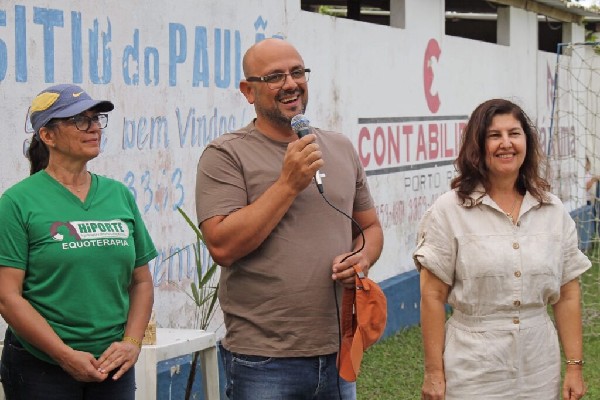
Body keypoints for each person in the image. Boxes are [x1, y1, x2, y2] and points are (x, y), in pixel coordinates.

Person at [195, 38, 384, 399]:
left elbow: (370, 228)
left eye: (297, 72)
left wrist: (362, 258)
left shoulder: (340, 147)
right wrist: (288, 184)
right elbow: (222, 246)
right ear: (248, 91)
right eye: (274, 77)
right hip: (263, 360)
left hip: (338, 350)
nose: (291, 84)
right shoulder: (225, 154)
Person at [413, 98, 590, 400]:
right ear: (477, 146)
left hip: (539, 366)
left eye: (514, 133)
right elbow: (432, 296)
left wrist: (574, 367)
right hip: (472, 368)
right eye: (494, 135)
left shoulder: (553, 210)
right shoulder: (449, 210)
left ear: (526, 142)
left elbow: (568, 293)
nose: (506, 143)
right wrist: (433, 372)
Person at [0, 84, 157, 400]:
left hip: (112, 364)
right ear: (48, 135)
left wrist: (131, 343)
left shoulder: (118, 195)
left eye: (96, 118)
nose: (94, 127)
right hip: (41, 367)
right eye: (80, 120)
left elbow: (141, 282)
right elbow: (7, 297)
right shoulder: (17, 202)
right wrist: (64, 355)